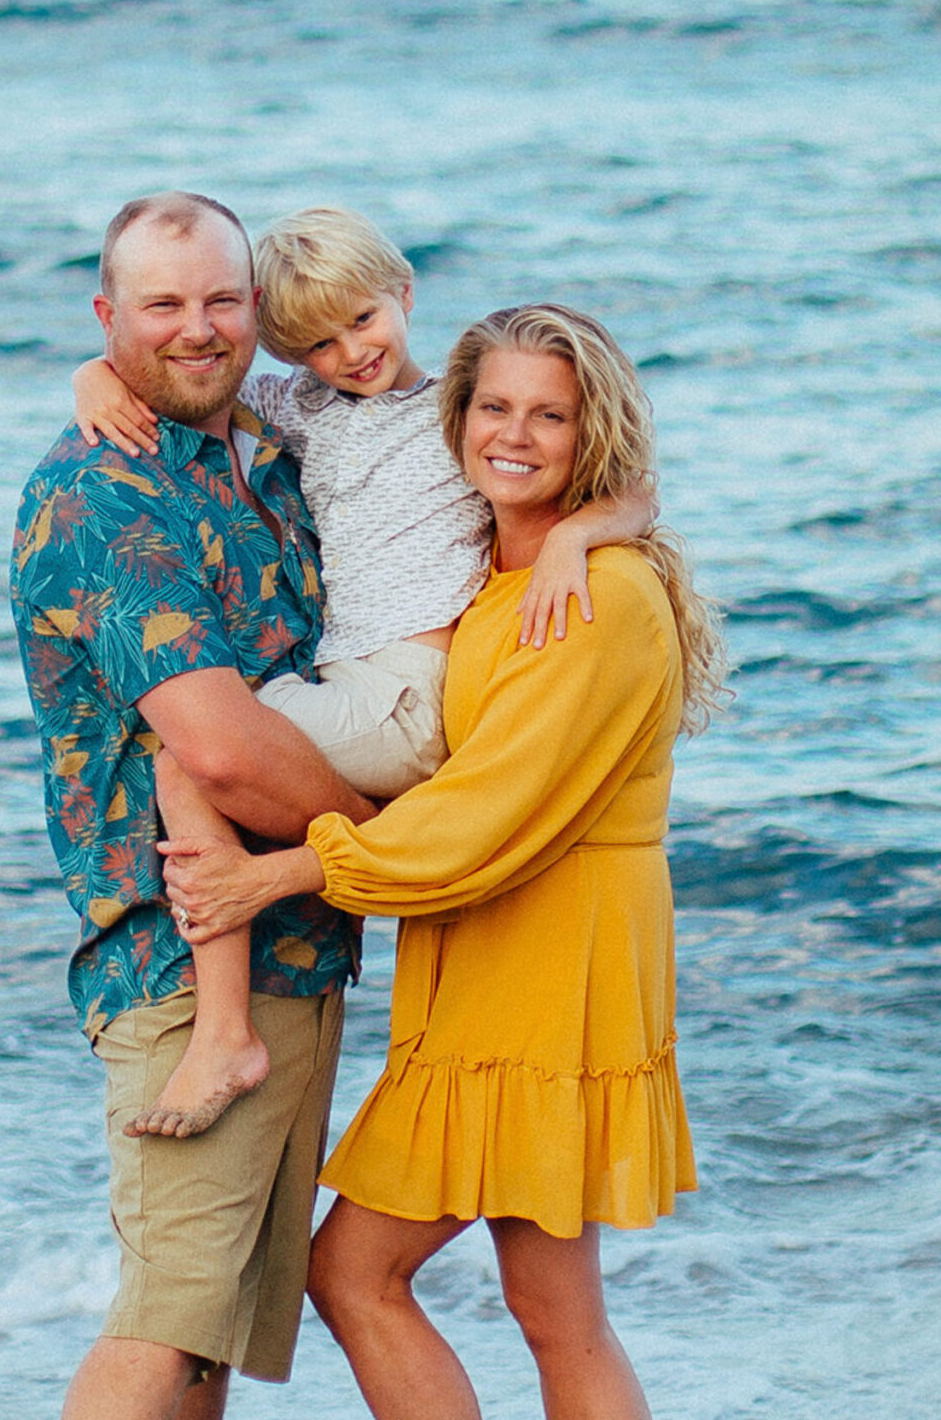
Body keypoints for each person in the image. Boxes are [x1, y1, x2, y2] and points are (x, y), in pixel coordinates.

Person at [164, 303, 722, 1420]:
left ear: (594, 433)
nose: (515, 435)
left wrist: (278, 877)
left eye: (550, 413)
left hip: (545, 955)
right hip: (503, 952)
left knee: (359, 1272)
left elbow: (482, 819)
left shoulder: (596, 598)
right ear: (453, 422)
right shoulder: (506, 566)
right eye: (493, 410)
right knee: (551, 1305)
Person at [9, 189, 370, 1420]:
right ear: (108, 321)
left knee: (213, 1310)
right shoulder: (102, 498)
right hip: (176, 951)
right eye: (159, 308)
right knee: (164, 1303)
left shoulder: (263, 453)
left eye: (220, 300)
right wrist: (397, 851)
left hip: (296, 944)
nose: (197, 329)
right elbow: (213, 741)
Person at [73, 207, 653, 1141]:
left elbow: (631, 483)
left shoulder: (456, 411)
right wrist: (95, 371)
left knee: (188, 757)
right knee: (203, 747)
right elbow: (193, 382)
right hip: (360, 687)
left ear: (405, 295)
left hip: (406, 693)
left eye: (366, 322)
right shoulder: (300, 408)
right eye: (317, 342)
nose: (351, 352)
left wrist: (578, 536)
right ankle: (368, 869)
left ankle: (224, 1034)